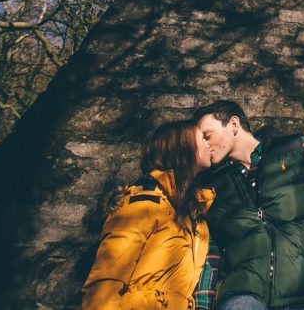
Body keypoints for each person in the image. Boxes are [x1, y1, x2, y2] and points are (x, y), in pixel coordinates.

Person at [191, 100, 304, 310]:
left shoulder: (294, 148)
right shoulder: (211, 188)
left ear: (233, 124)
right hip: (244, 298)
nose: (205, 145)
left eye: (208, 135)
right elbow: (209, 257)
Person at [82, 120, 216, 310]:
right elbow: (105, 282)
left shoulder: (191, 215)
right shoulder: (142, 205)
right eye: (202, 138)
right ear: (182, 149)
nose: (209, 144)